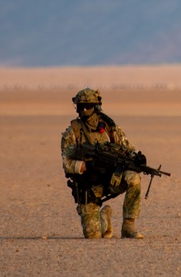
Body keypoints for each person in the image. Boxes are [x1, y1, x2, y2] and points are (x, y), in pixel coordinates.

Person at [61, 87, 144, 239]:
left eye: (88, 106)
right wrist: (87, 166)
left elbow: (127, 147)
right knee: (93, 235)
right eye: (81, 107)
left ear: (96, 107)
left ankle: (128, 226)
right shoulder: (73, 131)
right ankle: (104, 216)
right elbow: (67, 164)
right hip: (89, 187)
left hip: (111, 179)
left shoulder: (108, 127)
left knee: (134, 178)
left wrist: (136, 157)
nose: (84, 110)